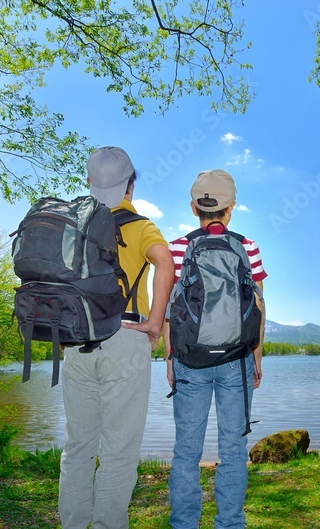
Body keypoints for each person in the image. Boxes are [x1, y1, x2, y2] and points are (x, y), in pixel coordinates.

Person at [58, 146, 174, 529]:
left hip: (78, 342)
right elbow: (165, 262)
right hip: (125, 336)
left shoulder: (73, 227)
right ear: (130, 185)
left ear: (90, 182)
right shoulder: (140, 226)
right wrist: (155, 322)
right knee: (119, 451)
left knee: (78, 446)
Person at [165, 169, 267, 529]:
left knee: (186, 449)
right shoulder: (248, 246)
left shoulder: (177, 247)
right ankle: (230, 523)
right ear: (231, 207)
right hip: (237, 359)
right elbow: (258, 306)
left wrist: (169, 358)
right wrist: (256, 357)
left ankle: (184, 524)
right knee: (234, 449)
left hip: (189, 359)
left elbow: (170, 310)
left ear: (194, 208)